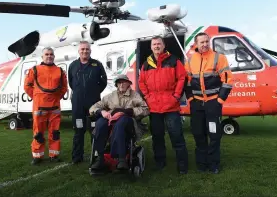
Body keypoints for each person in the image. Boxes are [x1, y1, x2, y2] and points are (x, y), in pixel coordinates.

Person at [138, 36, 188, 173]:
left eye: (159, 43)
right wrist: (147, 97)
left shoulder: (173, 60)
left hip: (171, 106)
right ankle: (160, 163)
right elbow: (141, 82)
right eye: (154, 44)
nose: (156, 46)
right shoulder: (146, 64)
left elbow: (182, 78)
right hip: (154, 108)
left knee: (176, 136)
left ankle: (182, 165)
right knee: (157, 137)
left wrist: (176, 96)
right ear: (151, 47)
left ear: (164, 45)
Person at [184, 32, 233, 174]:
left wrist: (219, 101)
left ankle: (214, 164)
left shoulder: (219, 58)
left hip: (213, 103)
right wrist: (191, 100)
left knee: (214, 134)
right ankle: (201, 164)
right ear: (196, 44)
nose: (205, 44)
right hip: (197, 105)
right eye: (202, 42)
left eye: (207, 41)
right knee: (198, 134)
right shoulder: (189, 61)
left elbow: (228, 81)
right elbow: (186, 83)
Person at [89, 74, 149, 171]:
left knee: (122, 121)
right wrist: (102, 111)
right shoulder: (110, 96)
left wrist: (127, 112)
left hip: (129, 122)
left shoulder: (135, 95)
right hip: (111, 121)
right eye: (119, 83)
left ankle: (121, 159)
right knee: (100, 123)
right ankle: (100, 158)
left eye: (123, 82)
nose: (121, 85)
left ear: (128, 84)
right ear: (116, 85)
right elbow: (93, 107)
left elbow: (145, 109)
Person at [24, 46, 68, 165]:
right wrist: (38, 97)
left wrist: (55, 97)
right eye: (47, 54)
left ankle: (54, 155)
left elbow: (64, 87)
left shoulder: (60, 71)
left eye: (51, 54)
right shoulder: (34, 70)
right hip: (39, 107)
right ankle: (37, 156)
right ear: (42, 57)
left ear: (54, 56)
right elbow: (27, 86)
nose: (49, 56)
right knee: (38, 132)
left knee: (55, 132)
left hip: (54, 107)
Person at [68, 41, 107, 164]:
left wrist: (94, 92)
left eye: (87, 49)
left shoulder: (97, 65)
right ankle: (77, 157)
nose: (85, 51)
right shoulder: (73, 65)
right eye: (82, 49)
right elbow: (71, 83)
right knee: (78, 130)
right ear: (78, 51)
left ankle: (96, 156)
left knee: (95, 129)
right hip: (78, 104)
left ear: (90, 50)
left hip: (93, 103)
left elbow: (103, 82)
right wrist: (80, 93)